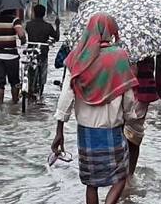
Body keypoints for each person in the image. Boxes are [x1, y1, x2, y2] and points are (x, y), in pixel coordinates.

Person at [51, 14, 139, 204]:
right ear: (110, 31)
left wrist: (59, 131)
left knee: (91, 183)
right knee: (121, 176)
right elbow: (129, 97)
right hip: (112, 130)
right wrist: (130, 117)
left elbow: (66, 96)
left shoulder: (77, 57)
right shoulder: (119, 56)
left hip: (85, 133)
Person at [124, 56, 160, 181]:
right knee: (133, 137)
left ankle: (128, 175)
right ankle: (129, 175)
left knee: (133, 137)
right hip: (136, 97)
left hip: (138, 97)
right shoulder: (145, 54)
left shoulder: (140, 56)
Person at [0, 9, 26, 104]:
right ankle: (14, 103)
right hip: (11, 55)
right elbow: (21, 35)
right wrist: (23, 40)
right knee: (14, 81)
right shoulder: (15, 20)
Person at [24, 4, 60, 100]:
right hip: (43, 53)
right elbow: (56, 38)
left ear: (34, 13)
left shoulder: (28, 25)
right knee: (42, 72)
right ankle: (40, 91)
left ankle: (29, 89)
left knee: (29, 70)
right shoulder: (48, 26)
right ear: (44, 14)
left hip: (31, 51)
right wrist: (57, 25)